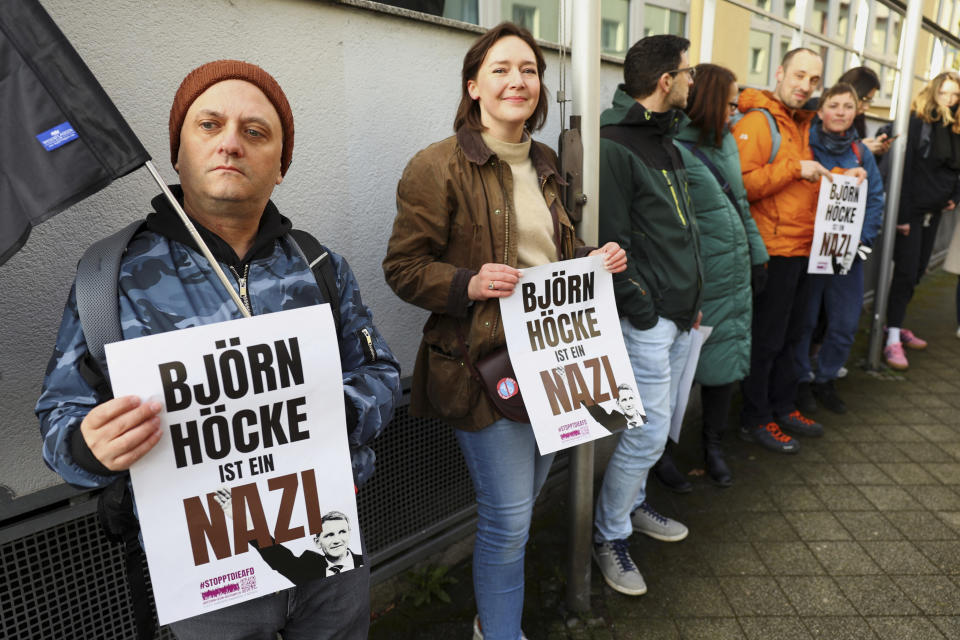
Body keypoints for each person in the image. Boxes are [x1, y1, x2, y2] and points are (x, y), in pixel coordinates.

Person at [36, 60, 401, 640]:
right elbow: (61, 422)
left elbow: (381, 372)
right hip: (200, 571)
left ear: (280, 167)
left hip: (327, 546)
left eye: (255, 132)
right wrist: (90, 447)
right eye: (209, 125)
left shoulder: (318, 264)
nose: (231, 142)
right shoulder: (111, 276)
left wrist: (335, 410)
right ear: (177, 153)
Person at [382, 23, 625, 640]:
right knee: (508, 519)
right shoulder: (436, 165)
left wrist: (595, 259)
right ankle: (498, 631)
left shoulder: (547, 162)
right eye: (501, 68)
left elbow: (553, 255)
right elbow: (402, 270)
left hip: (558, 360)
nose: (518, 80)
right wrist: (467, 281)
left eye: (529, 70)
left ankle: (491, 622)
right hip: (482, 364)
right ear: (473, 85)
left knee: (523, 508)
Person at [591, 34, 702, 597]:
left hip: (679, 315)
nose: (691, 81)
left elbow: (679, 234)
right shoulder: (615, 143)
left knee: (652, 433)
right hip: (649, 320)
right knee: (647, 435)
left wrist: (689, 303)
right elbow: (612, 241)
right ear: (665, 81)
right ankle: (608, 535)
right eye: (687, 73)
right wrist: (646, 312)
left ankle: (631, 507)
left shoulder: (667, 140)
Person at [672, 63, 769, 487]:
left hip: (733, 271)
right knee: (680, 371)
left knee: (723, 365)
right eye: (730, 103)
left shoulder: (727, 141)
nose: (735, 112)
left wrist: (758, 257)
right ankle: (661, 455)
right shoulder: (673, 146)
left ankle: (713, 446)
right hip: (698, 279)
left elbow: (740, 204)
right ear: (710, 100)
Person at [732, 48, 832, 453]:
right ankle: (756, 418)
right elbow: (741, 184)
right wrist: (795, 169)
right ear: (779, 72)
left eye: (813, 81)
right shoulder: (759, 122)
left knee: (793, 336)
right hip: (772, 250)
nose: (805, 86)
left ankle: (782, 407)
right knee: (768, 340)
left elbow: (799, 182)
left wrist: (842, 175)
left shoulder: (796, 123)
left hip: (800, 247)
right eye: (799, 76)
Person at [794, 83, 883, 413]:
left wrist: (862, 241)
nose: (841, 112)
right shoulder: (804, 144)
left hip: (847, 252)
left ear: (856, 112)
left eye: (848, 106)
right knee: (803, 321)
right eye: (834, 105)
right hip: (807, 249)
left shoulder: (862, 153)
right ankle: (801, 380)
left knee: (845, 323)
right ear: (820, 111)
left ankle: (826, 378)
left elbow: (874, 200)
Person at [884, 71, 960, 370]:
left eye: (956, 96)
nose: (951, 100)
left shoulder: (953, 128)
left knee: (917, 271)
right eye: (946, 94)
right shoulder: (919, 123)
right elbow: (905, 169)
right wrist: (901, 216)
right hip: (911, 212)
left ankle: (896, 323)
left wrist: (955, 195)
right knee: (904, 272)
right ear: (934, 92)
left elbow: (956, 170)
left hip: (935, 211)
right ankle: (890, 336)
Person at [216, 488, 364, 584]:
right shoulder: (310, 565)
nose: (337, 540)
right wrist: (240, 517)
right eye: (329, 535)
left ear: (350, 533)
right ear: (317, 542)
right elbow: (277, 556)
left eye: (342, 532)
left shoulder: (362, 560)